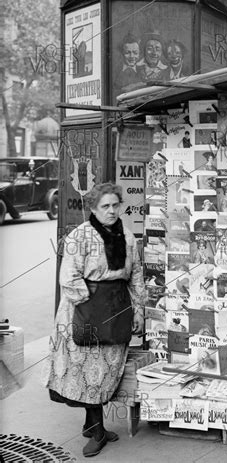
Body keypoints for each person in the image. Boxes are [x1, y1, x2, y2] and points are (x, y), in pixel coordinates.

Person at [43, 183, 146, 458]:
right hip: (85, 309)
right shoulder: (80, 236)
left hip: (116, 307)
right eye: (105, 206)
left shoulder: (127, 235)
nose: (112, 211)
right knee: (89, 369)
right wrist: (92, 305)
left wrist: (138, 310)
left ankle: (91, 424)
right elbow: (68, 278)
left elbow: (135, 274)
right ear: (93, 208)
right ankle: (98, 431)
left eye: (115, 205)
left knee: (109, 367)